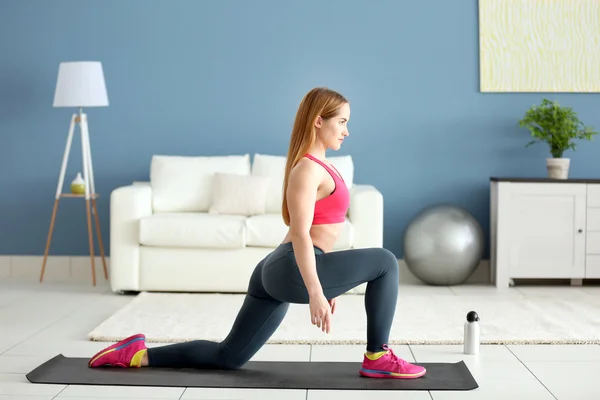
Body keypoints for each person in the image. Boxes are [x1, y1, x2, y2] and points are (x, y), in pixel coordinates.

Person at [88, 87, 426, 379]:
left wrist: (327, 280)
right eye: (342, 122)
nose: (347, 131)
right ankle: (378, 357)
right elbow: (301, 234)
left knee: (229, 355)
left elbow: (306, 236)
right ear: (318, 120)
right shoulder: (307, 169)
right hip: (290, 266)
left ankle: (137, 353)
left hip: (279, 267)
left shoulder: (321, 166)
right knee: (386, 261)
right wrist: (315, 289)